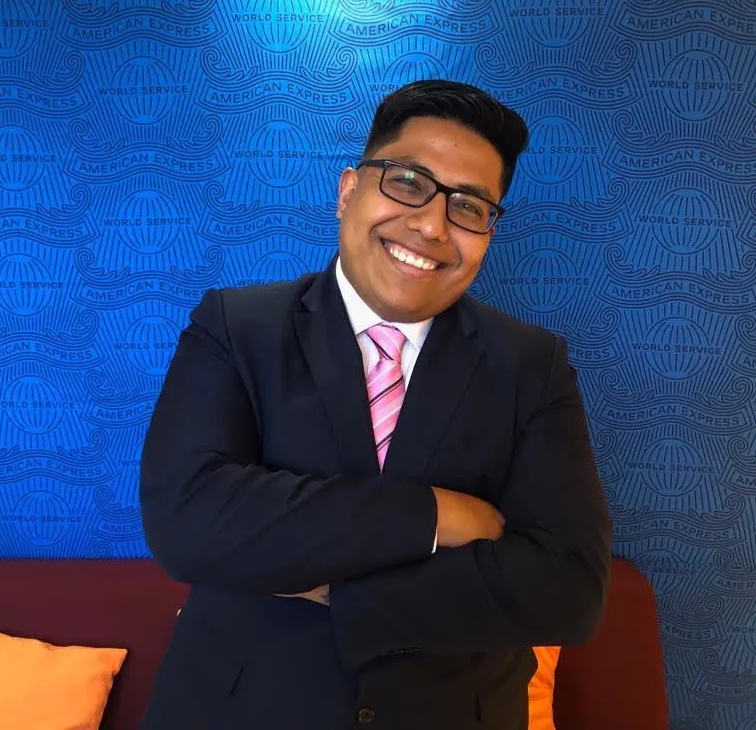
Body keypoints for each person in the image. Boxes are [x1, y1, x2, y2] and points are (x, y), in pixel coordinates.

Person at [139, 79, 613, 730]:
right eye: (409, 182)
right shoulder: (235, 327)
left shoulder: (532, 366)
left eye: (470, 207)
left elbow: (569, 587)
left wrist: (344, 590)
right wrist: (437, 516)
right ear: (348, 191)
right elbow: (188, 520)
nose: (431, 224)